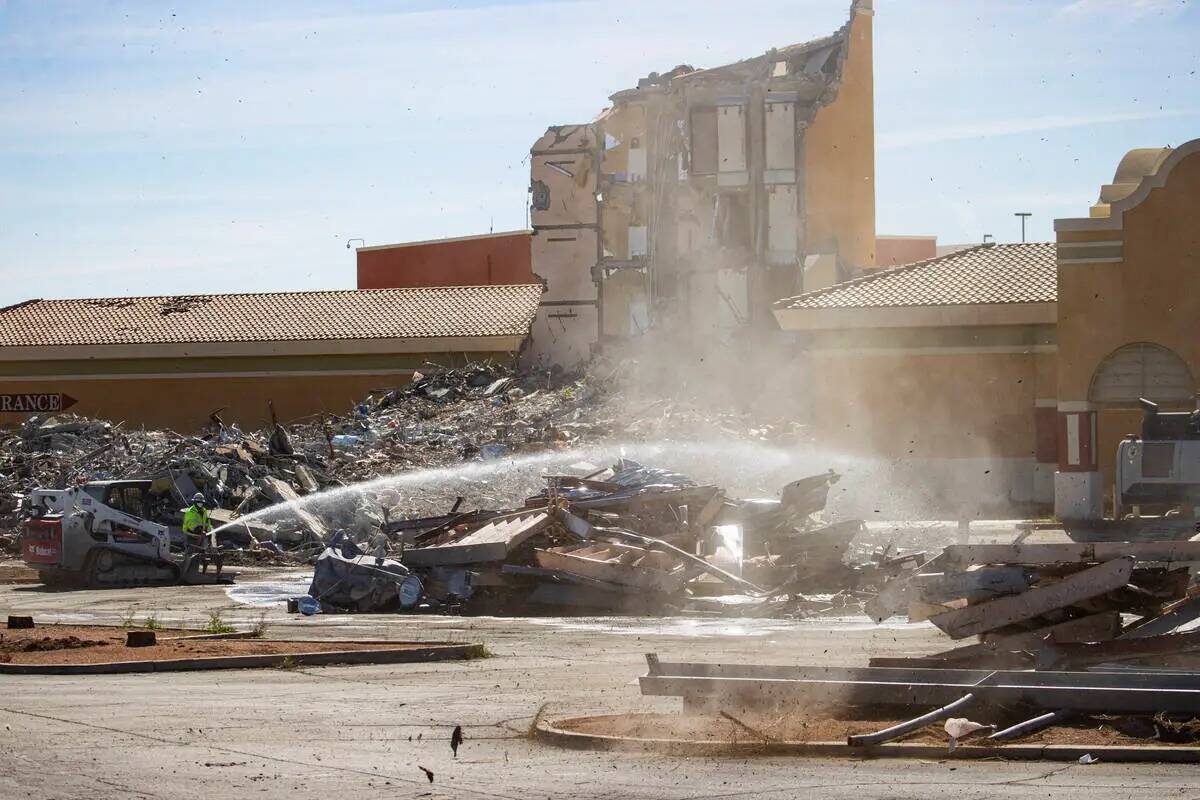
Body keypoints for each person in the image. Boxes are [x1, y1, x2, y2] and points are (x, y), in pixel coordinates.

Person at [181, 492, 219, 574]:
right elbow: (191, 523)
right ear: (194, 502)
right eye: (198, 502)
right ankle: (186, 571)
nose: (200, 504)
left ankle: (196, 572)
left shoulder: (204, 511)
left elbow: (206, 522)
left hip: (201, 536)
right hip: (191, 535)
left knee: (200, 554)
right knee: (190, 554)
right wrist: (199, 530)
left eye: (201, 502)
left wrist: (208, 530)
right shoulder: (190, 511)